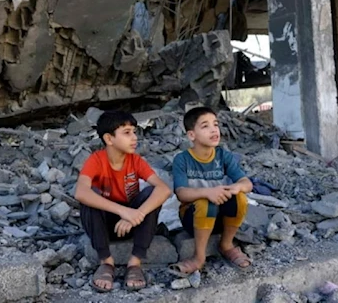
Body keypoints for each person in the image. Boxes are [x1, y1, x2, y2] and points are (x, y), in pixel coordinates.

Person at [74, 110, 172, 292]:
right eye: (127, 133)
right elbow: (80, 192)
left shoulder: (135, 161)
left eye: (134, 132)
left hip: (131, 223)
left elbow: (164, 189)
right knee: (91, 195)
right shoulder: (96, 160)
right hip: (104, 225)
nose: (134, 137)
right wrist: (122, 211)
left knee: (152, 193)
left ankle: (134, 264)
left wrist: (135, 214)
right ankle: (106, 262)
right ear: (109, 139)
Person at [168, 107, 253, 277]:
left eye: (215, 124)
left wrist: (237, 187)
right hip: (193, 219)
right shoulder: (182, 159)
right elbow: (181, 193)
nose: (214, 130)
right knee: (205, 202)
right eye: (205, 126)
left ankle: (226, 245)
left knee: (240, 199)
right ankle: (199, 257)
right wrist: (207, 192)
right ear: (192, 135)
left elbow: (247, 183)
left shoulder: (223, 156)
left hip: (220, 219)